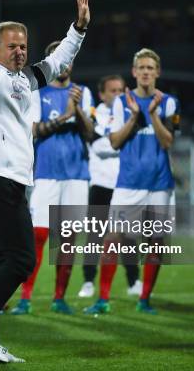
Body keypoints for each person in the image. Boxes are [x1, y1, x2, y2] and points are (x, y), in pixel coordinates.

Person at [0, 0, 89, 363]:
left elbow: (59, 61)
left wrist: (78, 28)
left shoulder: (26, 80)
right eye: (12, 46)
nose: (19, 52)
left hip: (11, 180)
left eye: (23, 47)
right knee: (23, 259)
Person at [87, 48, 179, 315]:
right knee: (111, 239)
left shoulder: (170, 103)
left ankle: (145, 299)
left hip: (160, 184)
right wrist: (135, 116)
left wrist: (151, 114)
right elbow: (115, 141)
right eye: (142, 68)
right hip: (128, 182)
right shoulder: (120, 103)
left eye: (151, 68)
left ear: (157, 72)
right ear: (134, 72)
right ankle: (103, 299)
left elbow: (168, 141)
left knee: (155, 243)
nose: (146, 72)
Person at [9, 41, 94, 316]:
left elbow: (90, 133)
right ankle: (25, 298)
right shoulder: (38, 90)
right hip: (46, 172)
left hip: (77, 174)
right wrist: (66, 116)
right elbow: (34, 130)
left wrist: (78, 110)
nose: (65, 64)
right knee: (39, 237)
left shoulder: (83, 92)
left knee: (67, 239)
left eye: (68, 59)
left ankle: (59, 298)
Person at [79, 75, 142, 303]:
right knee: (95, 235)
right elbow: (99, 146)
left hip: (124, 183)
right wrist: (121, 140)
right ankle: (88, 281)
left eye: (120, 90)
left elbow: (125, 144)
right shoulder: (94, 114)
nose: (117, 94)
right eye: (112, 90)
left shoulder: (129, 113)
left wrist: (116, 140)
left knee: (128, 236)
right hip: (101, 183)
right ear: (102, 94)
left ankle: (134, 281)